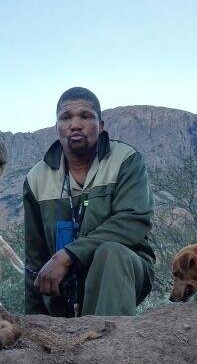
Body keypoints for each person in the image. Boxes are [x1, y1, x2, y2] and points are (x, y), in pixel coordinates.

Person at [23, 87, 155, 316]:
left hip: (124, 270)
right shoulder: (36, 178)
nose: (75, 124)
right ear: (57, 127)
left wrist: (68, 255)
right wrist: (32, 322)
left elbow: (133, 220)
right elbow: (35, 257)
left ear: (100, 125)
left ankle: (108, 346)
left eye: (85, 116)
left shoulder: (125, 159)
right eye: (65, 117)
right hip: (64, 285)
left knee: (111, 253)